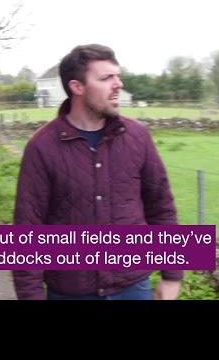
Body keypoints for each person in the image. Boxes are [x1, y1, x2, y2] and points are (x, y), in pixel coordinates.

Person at [13, 44, 183, 300]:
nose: (118, 84)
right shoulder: (42, 148)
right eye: (106, 78)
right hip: (70, 293)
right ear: (77, 87)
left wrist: (172, 275)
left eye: (117, 75)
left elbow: (161, 207)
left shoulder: (137, 137)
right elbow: (27, 232)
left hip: (133, 288)